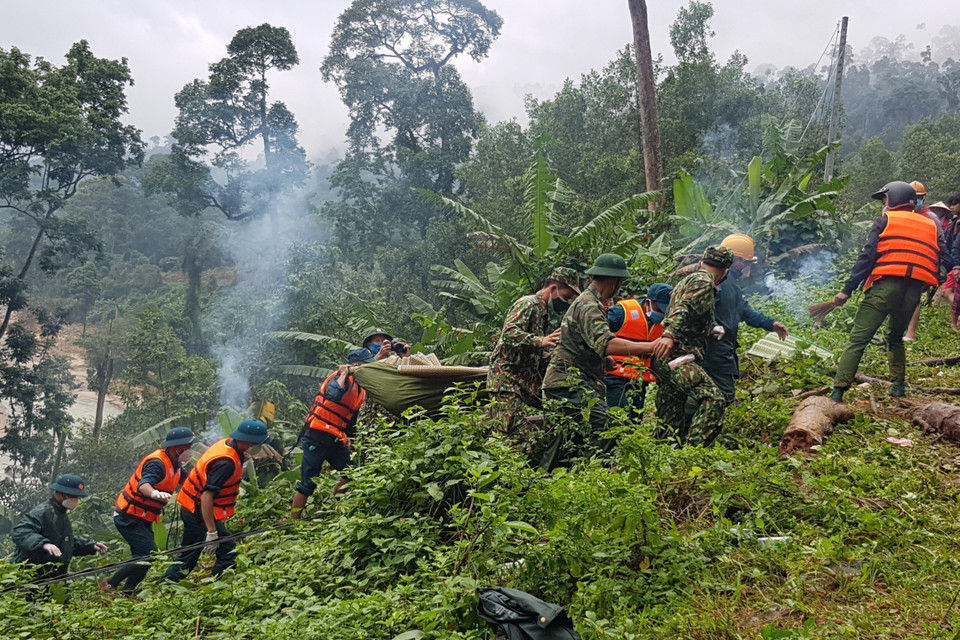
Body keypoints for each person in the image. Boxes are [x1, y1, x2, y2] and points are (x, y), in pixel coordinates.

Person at [830, 181, 947, 402]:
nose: (883, 203)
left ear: (892, 199)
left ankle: (838, 391)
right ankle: (898, 386)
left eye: (884, 199)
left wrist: (847, 289)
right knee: (895, 337)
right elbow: (941, 257)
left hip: (886, 287)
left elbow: (867, 257)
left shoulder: (886, 220)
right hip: (913, 291)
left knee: (858, 339)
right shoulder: (930, 225)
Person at [540, 254, 658, 467]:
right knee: (610, 424)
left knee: (564, 444)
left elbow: (581, 343)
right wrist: (650, 347)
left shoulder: (590, 303)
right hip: (567, 385)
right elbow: (606, 342)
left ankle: (551, 486)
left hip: (567, 383)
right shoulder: (589, 305)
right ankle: (595, 477)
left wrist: (606, 361)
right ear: (615, 282)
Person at [164, 419, 269, 582]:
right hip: (197, 510)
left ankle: (168, 583)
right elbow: (207, 495)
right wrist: (212, 532)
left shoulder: (229, 446)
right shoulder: (226, 462)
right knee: (227, 554)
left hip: (192, 508)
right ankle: (213, 588)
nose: (259, 447)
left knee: (188, 556)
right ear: (246, 442)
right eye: (257, 443)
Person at [651, 246, 733, 446]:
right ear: (726, 271)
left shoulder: (687, 280)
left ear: (702, 262)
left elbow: (686, 313)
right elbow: (683, 308)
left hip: (664, 359)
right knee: (714, 399)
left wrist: (708, 330)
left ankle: (662, 455)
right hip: (678, 357)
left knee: (670, 411)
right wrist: (669, 335)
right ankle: (692, 452)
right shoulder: (704, 283)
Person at [486, 268, 581, 436]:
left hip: (526, 381)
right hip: (506, 379)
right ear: (553, 289)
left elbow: (532, 353)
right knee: (508, 431)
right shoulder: (528, 304)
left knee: (559, 409)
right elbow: (508, 334)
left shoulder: (544, 313)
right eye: (566, 297)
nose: (566, 303)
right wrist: (541, 341)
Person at [101, 426, 197, 592]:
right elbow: (143, 485)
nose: (190, 450)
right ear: (176, 447)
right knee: (147, 555)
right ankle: (110, 583)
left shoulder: (176, 466)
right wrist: (155, 493)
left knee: (144, 557)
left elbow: (190, 481)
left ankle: (128, 591)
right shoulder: (157, 464)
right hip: (128, 517)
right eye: (187, 447)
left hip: (143, 518)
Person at [289, 348, 376, 519]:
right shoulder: (339, 379)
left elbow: (350, 418)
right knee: (308, 482)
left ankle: (334, 510)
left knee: (351, 472)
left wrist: (350, 439)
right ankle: (293, 521)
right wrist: (344, 374)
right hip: (316, 435)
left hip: (335, 438)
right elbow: (333, 394)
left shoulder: (359, 388)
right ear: (356, 366)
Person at [701, 234, 789, 403]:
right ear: (737, 260)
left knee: (713, 394)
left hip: (724, 348)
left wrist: (770, 324)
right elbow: (701, 310)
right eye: (747, 262)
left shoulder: (731, 283)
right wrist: (712, 327)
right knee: (722, 395)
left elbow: (744, 311)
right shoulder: (715, 282)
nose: (748, 267)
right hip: (713, 349)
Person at [12, 474, 108, 582]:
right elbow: (20, 532)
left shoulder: (61, 515)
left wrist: (90, 546)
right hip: (33, 578)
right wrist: (44, 544)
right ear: (63, 494)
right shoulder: (43, 512)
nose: (76, 500)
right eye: (74, 496)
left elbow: (66, 543)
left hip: (56, 577)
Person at [604, 283, 673, 415]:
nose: (663, 313)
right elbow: (594, 334)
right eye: (660, 308)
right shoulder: (621, 313)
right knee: (618, 417)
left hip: (640, 379)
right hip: (614, 375)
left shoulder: (667, 323)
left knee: (635, 420)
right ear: (648, 302)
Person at [904, 181, 947, 341]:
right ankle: (895, 330)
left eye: (919, 197)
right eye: (913, 197)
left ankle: (911, 332)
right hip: (899, 259)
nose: (916, 200)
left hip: (920, 261)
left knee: (913, 296)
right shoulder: (894, 212)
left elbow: (940, 242)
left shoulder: (931, 217)